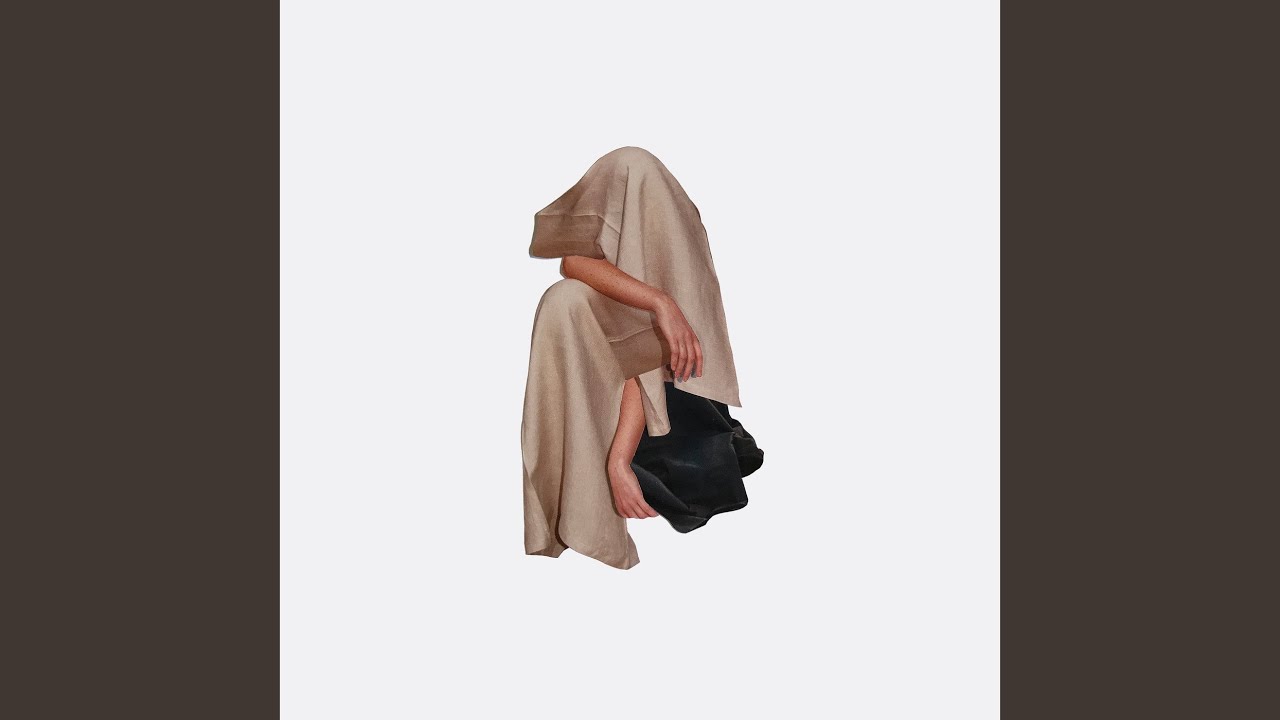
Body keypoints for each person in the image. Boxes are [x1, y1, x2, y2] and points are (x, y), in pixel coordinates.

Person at [521, 146, 760, 569]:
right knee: (564, 301)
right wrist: (658, 302)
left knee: (574, 303)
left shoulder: (671, 241)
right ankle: (567, 505)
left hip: (672, 412)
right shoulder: (607, 280)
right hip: (618, 405)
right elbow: (573, 260)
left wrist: (618, 461)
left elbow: (645, 360)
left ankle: (594, 498)